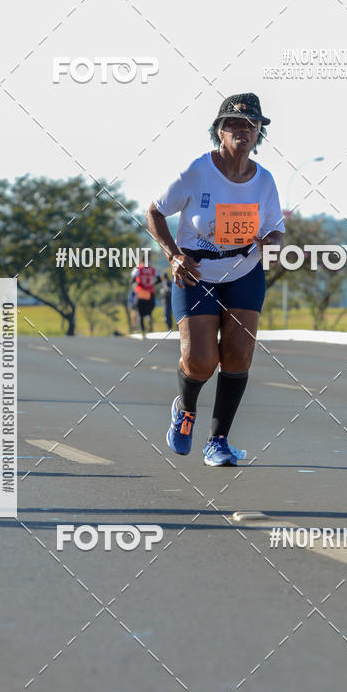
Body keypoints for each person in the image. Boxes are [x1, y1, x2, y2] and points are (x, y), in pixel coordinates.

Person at [146, 93, 285, 466]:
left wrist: (270, 240)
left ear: (259, 133)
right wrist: (174, 255)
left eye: (250, 124)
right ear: (219, 132)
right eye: (234, 124)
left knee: (239, 354)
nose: (243, 130)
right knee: (200, 360)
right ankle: (186, 408)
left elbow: (276, 229)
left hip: (243, 271)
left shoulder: (264, 180)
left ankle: (218, 440)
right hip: (197, 273)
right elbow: (155, 212)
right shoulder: (197, 171)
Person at [134, 261, 160, 338]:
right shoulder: (153, 269)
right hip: (150, 292)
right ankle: (148, 317)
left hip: (141, 292)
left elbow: (132, 280)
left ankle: (143, 332)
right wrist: (152, 284)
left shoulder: (138, 268)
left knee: (140, 313)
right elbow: (159, 279)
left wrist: (137, 284)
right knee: (149, 311)